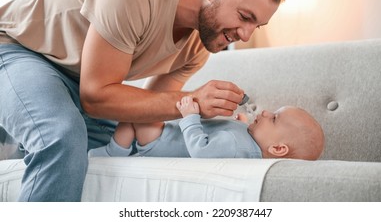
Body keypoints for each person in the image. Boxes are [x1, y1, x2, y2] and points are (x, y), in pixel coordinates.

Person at [0, 0, 287, 201]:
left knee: (123, 144)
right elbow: (95, 96)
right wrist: (194, 102)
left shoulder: (201, 43)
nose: (247, 35)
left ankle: (14, 136)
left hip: (76, 80)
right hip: (17, 50)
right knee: (62, 137)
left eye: (256, 25)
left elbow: (146, 116)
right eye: (245, 17)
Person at [89, 96, 325, 160]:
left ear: (278, 148)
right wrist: (239, 124)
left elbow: (202, 151)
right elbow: (227, 140)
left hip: (162, 141)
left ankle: (114, 153)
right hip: (167, 134)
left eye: (274, 118)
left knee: (136, 115)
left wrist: (190, 117)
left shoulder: (238, 147)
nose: (265, 112)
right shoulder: (249, 144)